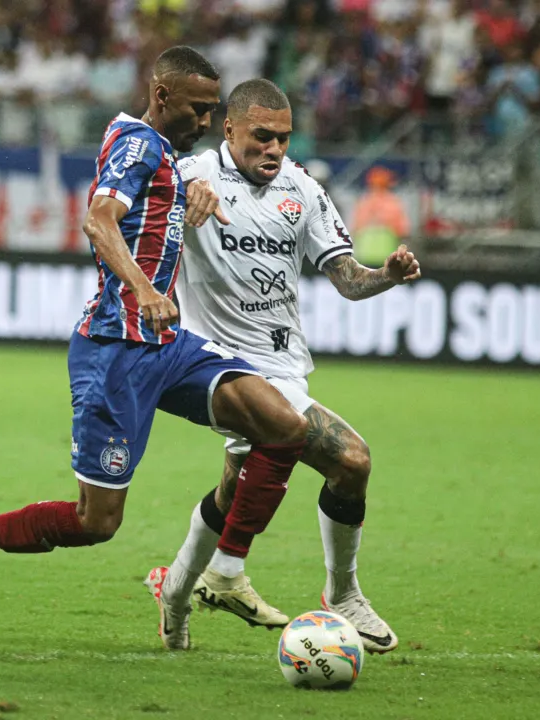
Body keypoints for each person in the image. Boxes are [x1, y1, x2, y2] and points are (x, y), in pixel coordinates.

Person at [0, 48, 315, 653]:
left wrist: (193, 194)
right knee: (95, 522)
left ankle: (224, 572)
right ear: (162, 94)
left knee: (283, 425)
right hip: (116, 350)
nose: (205, 122)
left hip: (168, 345)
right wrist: (146, 288)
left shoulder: (164, 154)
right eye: (199, 109)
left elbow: (158, 207)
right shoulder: (141, 144)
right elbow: (99, 220)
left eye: (212, 111)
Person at [144, 79, 421, 655]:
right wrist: (177, 206)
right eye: (261, 137)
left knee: (232, 494)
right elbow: (131, 217)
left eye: (283, 139)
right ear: (228, 129)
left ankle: (174, 594)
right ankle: (341, 593)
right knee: (351, 460)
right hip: (216, 363)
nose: (273, 150)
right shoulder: (191, 175)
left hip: (284, 366)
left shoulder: (304, 190)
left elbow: (346, 279)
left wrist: (387, 275)